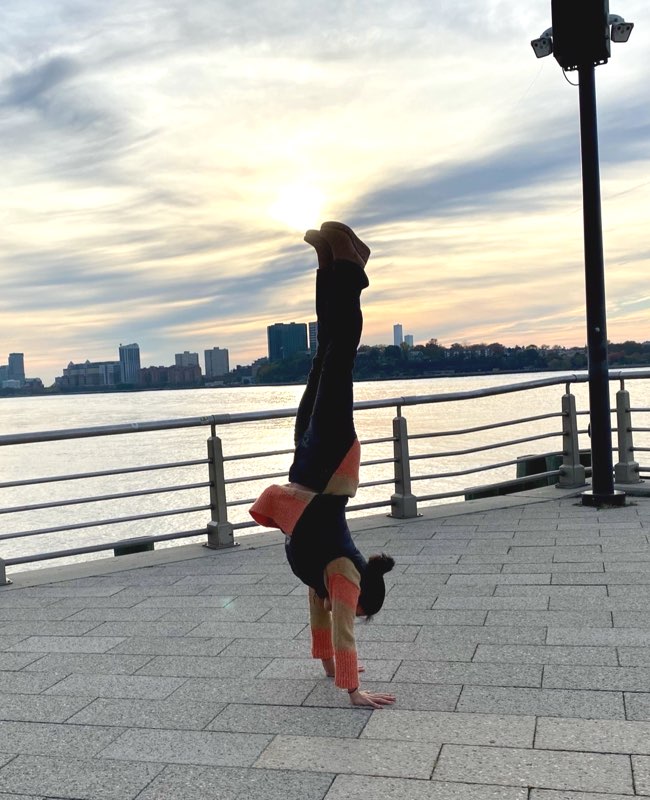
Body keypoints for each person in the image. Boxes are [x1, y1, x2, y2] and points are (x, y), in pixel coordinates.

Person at [250, 221, 396, 708]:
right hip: (329, 461)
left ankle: (326, 265)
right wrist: (355, 692)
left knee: (320, 360)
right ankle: (353, 268)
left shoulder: (323, 581)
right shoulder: (345, 576)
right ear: (357, 595)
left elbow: (322, 623)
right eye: (350, 607)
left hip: (306, 465)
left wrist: (330, 667)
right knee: (339, 360)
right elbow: (344, 631)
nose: (342, 611)